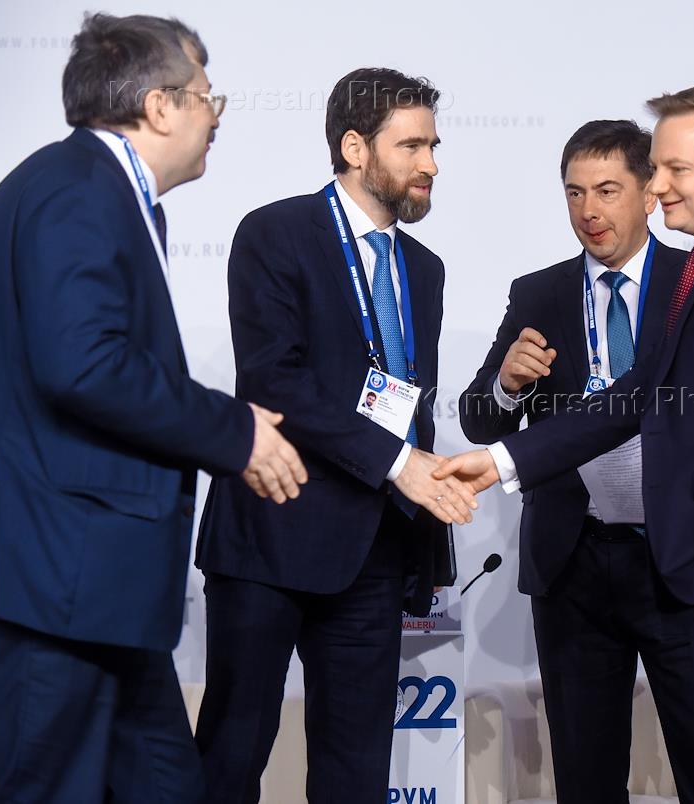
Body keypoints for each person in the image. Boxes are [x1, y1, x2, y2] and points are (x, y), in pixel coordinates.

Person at [439, 84, 694, 803]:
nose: (659, 185)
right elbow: (639, 396)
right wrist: (505, 455)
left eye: (672, 170)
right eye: (656, 169)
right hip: (591, 565)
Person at [0, 13, 307, 803]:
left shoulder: (96, 191)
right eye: (207, 96)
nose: (217, 116)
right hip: (60, 583)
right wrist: (235, 431)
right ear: (160, 105)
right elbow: (84, 365)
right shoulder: (75, 192)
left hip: (103, 592)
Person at [192, 68, 475, 803]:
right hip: (270, 539)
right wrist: (400, 464)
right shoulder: (274, 233)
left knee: (356, 771)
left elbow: (410, 403)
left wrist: (423, 517)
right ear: (355, 147)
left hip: (374, 552)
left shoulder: (426, 269)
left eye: (434, 146)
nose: (431, 164)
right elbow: (274, 382)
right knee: (230, 757)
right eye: (412, 146)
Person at [459, 120, 694, 804]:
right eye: (574, 193)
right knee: (585, 774)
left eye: (606, 190)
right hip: (575, 562)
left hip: (678, 558)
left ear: (649, 193)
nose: (588, 210)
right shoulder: (538, 293)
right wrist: (506, 384)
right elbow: (478, 418)